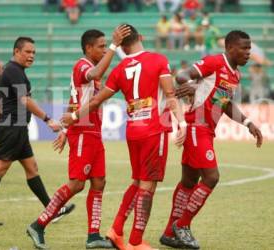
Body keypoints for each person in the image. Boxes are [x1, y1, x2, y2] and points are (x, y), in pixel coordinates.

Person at [61, 24, 187, 250]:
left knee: (138, 182)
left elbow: (96, 100)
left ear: (122, 44)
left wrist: (73, 115)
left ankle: (116, 230)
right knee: (148, 187)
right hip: (154, 129)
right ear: (141, 37)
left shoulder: (119, 69)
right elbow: (169, 94)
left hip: (133, 131)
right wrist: (182, 122)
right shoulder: (159, 60)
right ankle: (136, 242)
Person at [26, 26, 131, 250]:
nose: (104, 50)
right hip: (83, 133)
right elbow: (95, 75)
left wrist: (64, 130)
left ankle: (93, 236)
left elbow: (75, 102)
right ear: (88, 48)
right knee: (76, 184)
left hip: (93, 134)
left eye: (106, 46)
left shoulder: (90, 69)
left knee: (99, 182)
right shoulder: (83, 66)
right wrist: (114, 45)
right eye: (101, 47)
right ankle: (39, 224)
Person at [160, 30, 263, 249]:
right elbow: (181, 76)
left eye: (249, 48)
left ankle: (169, 232)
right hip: (197, 127)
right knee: (212, 177)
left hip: (206, 129)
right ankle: (183, 225)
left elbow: (223, 103)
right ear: (230, 48)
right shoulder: (214, 62)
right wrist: (194, 85)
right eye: (244, 48)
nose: (248, 52)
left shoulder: (235, 75)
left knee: (189, 182)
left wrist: (247, 123)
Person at [0, 37, 75, 227]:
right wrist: (47, 119)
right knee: (0, 168)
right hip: (14, 127)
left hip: (15, 127)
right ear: (16, 51)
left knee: (32, 168)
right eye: (28, 52)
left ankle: (52, 209)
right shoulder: (14, 71)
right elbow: (25, 101)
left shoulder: (10, 71)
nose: (31, 56)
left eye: (34, 53)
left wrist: (2, 121)